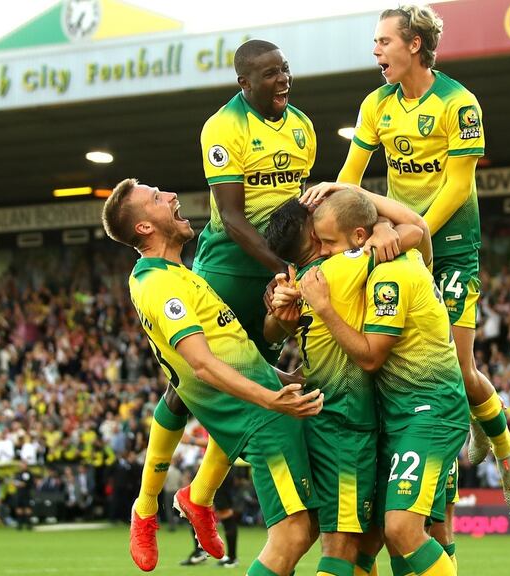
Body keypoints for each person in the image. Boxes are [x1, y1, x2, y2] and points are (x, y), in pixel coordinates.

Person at [308, 3, 510, 512]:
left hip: (450, 244)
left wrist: (412, 229)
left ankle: (504, 447)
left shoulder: (460, 103)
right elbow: (353, 177)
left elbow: (458, 184)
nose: (376, 50)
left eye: (384, 41)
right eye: (374, 42)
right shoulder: (376, 104)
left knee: (456, 362)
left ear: (413, 44)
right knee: (417, 363)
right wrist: (332, 192)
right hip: (400, 239)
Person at [102, 178, 323, 576]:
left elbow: (232, 356)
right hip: (263, 422)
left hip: (270, 412)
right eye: (156, 198)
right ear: (143, 227)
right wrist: (270, 398)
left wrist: (284, 380)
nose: (170, 195)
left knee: (307, 532)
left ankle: (186, 499)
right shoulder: (158, 285)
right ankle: (153, 506)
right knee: (293, 536)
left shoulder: (184, 276)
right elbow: (201, 364)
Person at [181, 37, 319, 559]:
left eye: (285, 69)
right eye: (270, 73)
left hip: (277, 259)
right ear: (244, 83)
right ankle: (148, 505)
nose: (283, 78)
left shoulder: (303, 127)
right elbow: (235, 220)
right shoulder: (223, 127)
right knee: (190, 377)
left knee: (256, 377)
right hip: (231, 261)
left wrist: (302, 256)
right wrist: (287, 267)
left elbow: (295, 210)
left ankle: (198, 494)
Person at [294, 189, 465, 576]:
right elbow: (418, 229)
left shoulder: (390, 272)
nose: (321, 252)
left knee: (403, 530)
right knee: (382, 537)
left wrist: (321, 307)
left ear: (359, 238)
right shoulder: (377, 264)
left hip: (428, 411)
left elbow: (370, 357)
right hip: (397, 416)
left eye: (328, 243)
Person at [262, 190, 430, 576]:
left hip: (334, 420)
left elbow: (272, 330)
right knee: (342, 545)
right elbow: (416, 230)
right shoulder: (338, 270)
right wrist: (378, 223)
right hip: (345, 425)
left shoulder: (300, 281)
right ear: (313, 237)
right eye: (318, 220)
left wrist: (274, 309)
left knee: (362, 540)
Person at [14, 461, 35, 530]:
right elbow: (15, 482)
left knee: (27, 508)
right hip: (19, 493)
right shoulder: (18, 474)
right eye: (20, 465)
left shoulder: (28, 474)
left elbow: (26, 483)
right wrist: (17, 484)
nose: (21, 466)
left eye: (23, 465)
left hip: (26, 494)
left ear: (26, 465)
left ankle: (28, 524)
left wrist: (21, 484)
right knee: (19, 508)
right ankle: (19, 524)